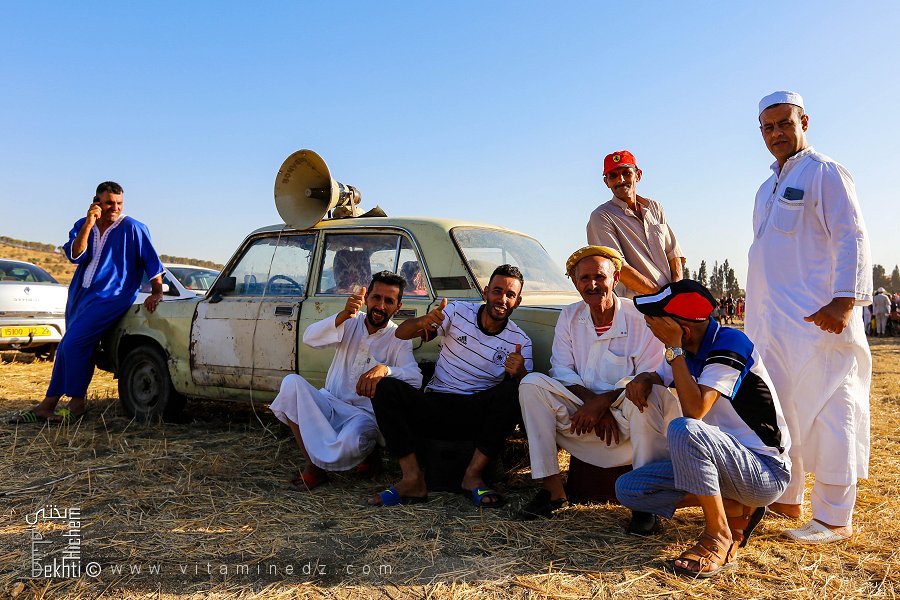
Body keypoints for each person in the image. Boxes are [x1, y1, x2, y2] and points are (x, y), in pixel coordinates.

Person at [746, 91, 872, 543]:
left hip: (821, 320)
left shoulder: (825, 173)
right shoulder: (766, 187)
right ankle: (788, 496)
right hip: (773, 324)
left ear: (804, 122)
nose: (776, 133)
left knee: (832, 410)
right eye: (768, 127)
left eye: (784, 123)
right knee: (782, 410)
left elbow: (851, 235)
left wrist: (844, 302)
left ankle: (835, 517)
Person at [616, 280, 792, 578]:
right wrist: (646, 378)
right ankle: (734, 505)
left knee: (685, 428)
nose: (650, 327)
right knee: (629, 489)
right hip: (722, 466)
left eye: (655, 322)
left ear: (682, 329)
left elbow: (695, 410)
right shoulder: (685, 349)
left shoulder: (730, 342)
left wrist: (673, 348)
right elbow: (661, 375)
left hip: (764, 470)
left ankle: (718, 535)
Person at [517, 246, 678, 532]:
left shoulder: (639, 317)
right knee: (531, 385)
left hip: (626, 419)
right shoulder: (569, 316)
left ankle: (644, 502)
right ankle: (552, 490)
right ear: (575, 282)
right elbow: (562, 370)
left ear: (615, 279)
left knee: (650, 396)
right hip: (583, 416)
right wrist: (594, 405)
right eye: (584, 278)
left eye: (599, 277)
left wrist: (604, 402)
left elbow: (649, 375)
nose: (592, 285)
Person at [369, 264, 533, 507]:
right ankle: (413, 479)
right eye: (497, 291)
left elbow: (527, 393)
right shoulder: (457, 311)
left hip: (475, 416)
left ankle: (472, 476)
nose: (502, 299)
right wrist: (425, 320)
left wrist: (520, 372)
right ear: (486, 292)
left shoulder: (520, 341)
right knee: (384, 388)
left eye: (510, 295)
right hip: (436, 404)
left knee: (514, 391)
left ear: (517, 301)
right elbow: (401, 334)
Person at [10, 182, 165, 425]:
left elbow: (152, 263)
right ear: (96, 203)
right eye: (108, 203)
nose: (114, 207)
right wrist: (89, 223)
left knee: (73, 343)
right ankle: (48, 404)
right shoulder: (83, 225)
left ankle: (77, 403)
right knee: (65, 348)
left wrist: (157, 292)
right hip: (79, 295)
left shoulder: (134, 228)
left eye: (119, 203)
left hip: (112, 296)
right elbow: (75, 255)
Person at [269, 271, 422, 490]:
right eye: (376, 298)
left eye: (389, 301)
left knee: (351, 444)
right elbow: (309, 338)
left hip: (362, 416)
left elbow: (415, 379)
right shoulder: (350, 321)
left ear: (398, 307)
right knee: (291, 385)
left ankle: (367, 455)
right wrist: (343, 315)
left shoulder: (398, 338)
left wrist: (385, 370)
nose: (380, 306)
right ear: (367, 297)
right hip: (329, 402)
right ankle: (314, 466)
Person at [587, 150, 685, 298]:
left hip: (670, 301)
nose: (620, 180)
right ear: (606, 182)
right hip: (637, 307)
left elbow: (674, 254)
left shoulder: (655, 208)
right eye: (613, 175)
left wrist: (676, 290)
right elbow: (618, 267)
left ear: (638, 175)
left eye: (626, 173)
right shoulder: (601, 217)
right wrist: (661, 296)